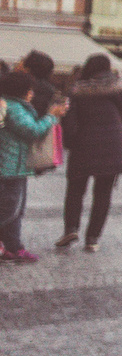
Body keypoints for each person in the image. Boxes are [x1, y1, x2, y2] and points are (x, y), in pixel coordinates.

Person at [55, 55, 122, 253]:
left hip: (83, 144)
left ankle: (70, 229)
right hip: (113, 144)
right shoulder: (119, 86)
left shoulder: (77, 90)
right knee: (103, 193)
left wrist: (70, 143)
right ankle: (92, 238)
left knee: (75, 190)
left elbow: (69, 120)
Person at [0, 71, 68, 263]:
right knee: (8, 211)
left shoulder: (13, 105)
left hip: (15, 168)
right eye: (29, 90)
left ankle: (14, 249)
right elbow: (32, 130)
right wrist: (50, 117)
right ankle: (13, 248)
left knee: (15, 212)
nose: (32, 93)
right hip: (8, 169)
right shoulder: (13, 108)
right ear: (21, 91)